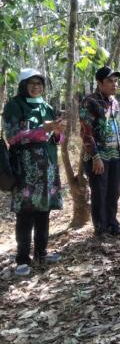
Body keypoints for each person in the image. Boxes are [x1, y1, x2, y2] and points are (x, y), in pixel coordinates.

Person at [2, 68, 64, 276]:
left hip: (47, 167)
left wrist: (56, 132)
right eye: (32, 83)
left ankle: (41, 253)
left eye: (39, 84)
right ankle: (22, 258)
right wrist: (41, 130)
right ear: (23, 86)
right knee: (25, 213)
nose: (36, 87)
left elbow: (57, 139)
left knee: (43, 211)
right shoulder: (14, 106)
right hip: (25, 169)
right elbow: (11, 137)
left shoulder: (47, 107)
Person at [80, 66, 120, 237]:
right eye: (109, 81)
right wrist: (95, 157)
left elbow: (117, 128)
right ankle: (101, 228)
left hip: (116, 154)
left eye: (115, 81)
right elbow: (86, 132)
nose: (114, 84)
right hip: (98, 156)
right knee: (100, 192)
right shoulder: (89, 101)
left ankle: (113, 223)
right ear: (99, 83)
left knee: (114, 191)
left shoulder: (114, 102)